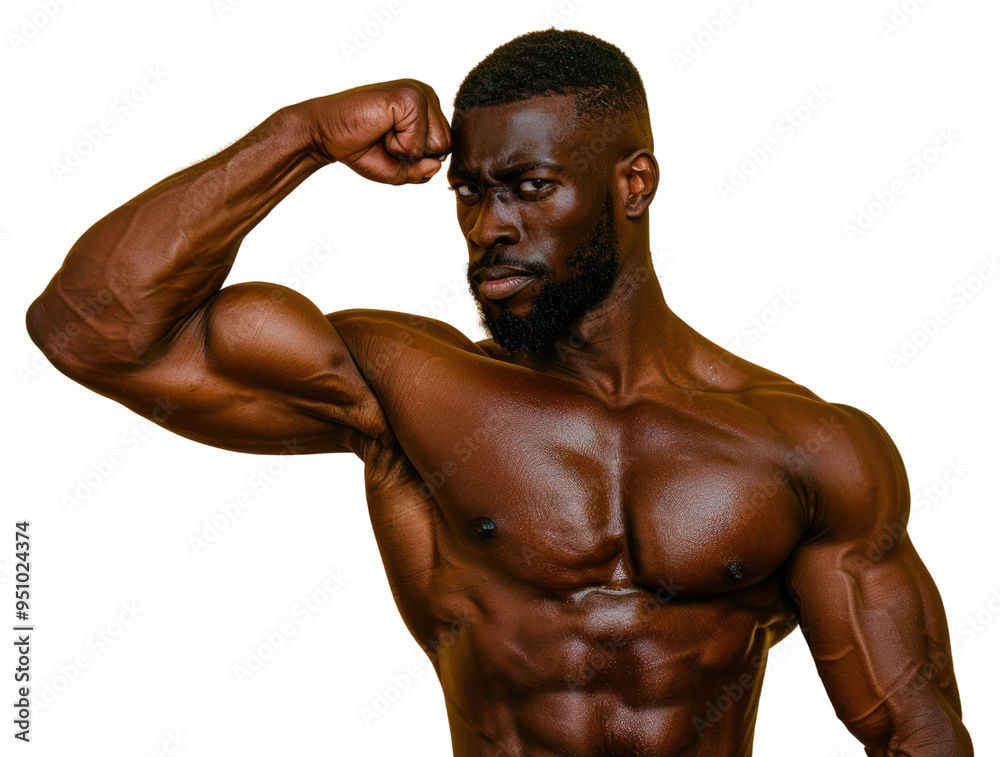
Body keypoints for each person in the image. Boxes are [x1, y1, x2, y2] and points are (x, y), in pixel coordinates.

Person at [26, 29, 972, 756]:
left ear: (631, 182)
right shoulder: (407, 389)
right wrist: (302, 135)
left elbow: (915, 732)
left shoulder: (807, 449)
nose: (491, 226)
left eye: (529, 187)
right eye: (471, 194)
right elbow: (91, 329)